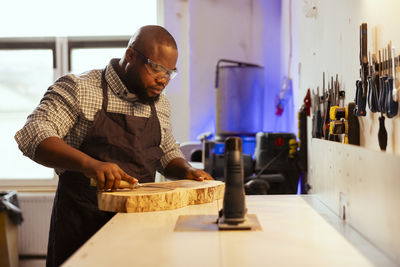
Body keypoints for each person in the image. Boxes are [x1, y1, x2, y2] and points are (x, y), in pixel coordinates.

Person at [15, 25, 213, 267]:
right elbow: (33, 134)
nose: (163, 79)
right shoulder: (79, 88)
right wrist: (90, 164)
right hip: (81, 227)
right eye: (157, 69)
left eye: (170, 73)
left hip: (141, 230)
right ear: (131, 56)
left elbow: (166, 152)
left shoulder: (159, 104)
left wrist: (185, 169)